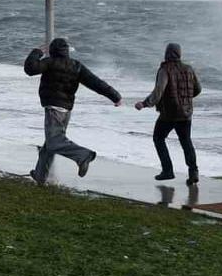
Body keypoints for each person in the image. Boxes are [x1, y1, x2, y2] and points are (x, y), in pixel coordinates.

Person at [24, 37, 122, 185]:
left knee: (54, 142)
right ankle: (40, 175)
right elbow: (96, 83)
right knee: (50, 144)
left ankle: (83, 155)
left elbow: (30, 69)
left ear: (52, 51)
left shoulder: (50, 62)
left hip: (53, 109)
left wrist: (37, 51)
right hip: (66, 111)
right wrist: (115, 96)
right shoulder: (76, 66)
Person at [135, 42, 201, 185]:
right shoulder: (189, 69)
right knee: (186, 141)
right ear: (179, 53)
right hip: (186, 113)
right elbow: (197, 89)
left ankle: (167, 170)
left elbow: (159, 92)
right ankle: (193, 172)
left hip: (169, 114)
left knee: (158, 138)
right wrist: (186, 99)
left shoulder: (165, 70)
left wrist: (145, 103)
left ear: (167, 53)